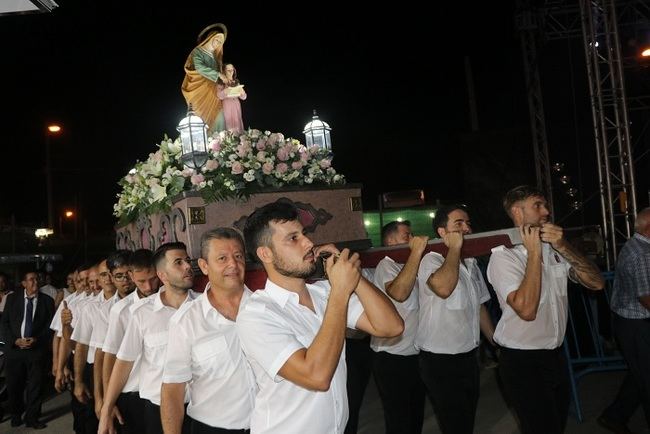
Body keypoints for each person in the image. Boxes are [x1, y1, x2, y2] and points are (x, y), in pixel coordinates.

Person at [237, 201, 404, 434]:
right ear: (265, 254)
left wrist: (354, 278)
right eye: (293, 238)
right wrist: (340, 292)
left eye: (304, 234)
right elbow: (316, 376)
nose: (308, 242)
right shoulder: (257, 314)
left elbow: (391, 326)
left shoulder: (324, 293)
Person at [487, 185, 605, 434]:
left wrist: (564, 246)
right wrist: (533, 254)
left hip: (555, 355)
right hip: (522, 361)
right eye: (538, 205)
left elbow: (597, 283)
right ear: (517, 213)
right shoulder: (503, 257)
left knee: (555, 426)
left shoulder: (556, 248)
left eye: (545, 205)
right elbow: (527, 310)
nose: (547, 211)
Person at [161, 228, 256, 434]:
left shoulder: (265, 308)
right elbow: (172, 391)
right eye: (222, 258)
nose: (233, 264)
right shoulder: (186, 322)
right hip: (212, 429)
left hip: (271, 426)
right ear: (204, 266)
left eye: (238, 256)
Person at [99, 242, 196, 434]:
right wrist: (105, 407)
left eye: (187, 261)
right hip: (157, 408)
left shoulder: (204, 306)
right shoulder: (141, 314)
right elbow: (122, 362)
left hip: (199, 408)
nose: (187, 267)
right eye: (178, 262)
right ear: (163, 274)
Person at [417, 206, 495, 434]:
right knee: (455, 423)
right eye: (459, 224)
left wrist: (495, 342)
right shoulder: (430, 261)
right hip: (440, 359)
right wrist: (454, 250)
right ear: (442, 232)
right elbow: (443, 287)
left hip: (468, 356)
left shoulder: (470, 264)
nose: (467, 229)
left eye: (468, 223)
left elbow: (479, 306)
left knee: (467, 419)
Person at [371, 220, 427, 434]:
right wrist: (415, 254)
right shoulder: (386, 265)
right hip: (391, 357)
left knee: (416, 416)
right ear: (390, 241)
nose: (412, 240)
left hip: (415, 353)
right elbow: (399, 292)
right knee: (398, 420)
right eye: (407, 236)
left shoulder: (410, 266)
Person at [599, 207, 650, 432]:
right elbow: (647, 298)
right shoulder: (643, 253)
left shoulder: (634, 245)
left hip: (628, 322)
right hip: (637, 324)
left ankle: (614, 416)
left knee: (641, 374)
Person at [101, 249, 159, 434]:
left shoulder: (169, 302)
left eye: (153, 279)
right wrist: (107, 404)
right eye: (141, 281)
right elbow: (109, 357)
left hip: (160, 394)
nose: (149, 287)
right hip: (132, 394)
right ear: (131, 276)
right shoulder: (121, 311)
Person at [0, 271, 55, 429]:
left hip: (36, 351)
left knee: (36, 386)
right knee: (14, 385)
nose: (35, 282)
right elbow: (4, 324)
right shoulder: (12, 299)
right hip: (15, 351)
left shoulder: (47, 301)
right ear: (24, 283)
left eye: (37, 279)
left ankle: (32, 418)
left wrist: (37, 339)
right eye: (31, 280)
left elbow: (50, 327)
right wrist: (15, 341)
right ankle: (16, 415)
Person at [182, 23, 229, 134]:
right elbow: (199, 68)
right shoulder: (197, 52)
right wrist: (218, 74)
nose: (218, 43)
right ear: (211, 38)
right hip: (200, 90)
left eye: (220, 42)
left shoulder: (215, 58)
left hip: (214, 92)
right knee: (200, 116)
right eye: (217, 40)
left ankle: (220, 144)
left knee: (219, 114)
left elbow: (221, 74)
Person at [217, 63, 247, 132]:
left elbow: (244, 97)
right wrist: (225, 91)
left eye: (232, 70)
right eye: (228, 70)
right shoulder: (221, 82)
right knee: (229, 122)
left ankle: (240, 139)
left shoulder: (236, 82)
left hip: (236, 104)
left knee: (237, 121)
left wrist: (243, 92)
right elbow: (219, 95)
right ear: (224, 71)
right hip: (227, 104)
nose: (231, 72)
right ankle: (230, 140)